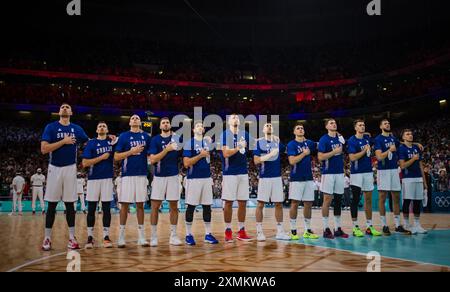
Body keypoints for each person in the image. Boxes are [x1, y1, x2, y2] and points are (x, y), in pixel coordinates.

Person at [41, 103, 89, 251]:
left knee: (70, 204)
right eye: (62, 107)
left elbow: (89, 142)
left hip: (70, 167)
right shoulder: (51, 127)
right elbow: (44, 149)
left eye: (67, 107)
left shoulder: (77, 129)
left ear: (71, 112)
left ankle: (72, 238)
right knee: (52, 205)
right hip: (54, 168)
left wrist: (108, 139)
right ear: (59, 111)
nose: (65, 108)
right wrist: (64, 141)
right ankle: (47, 238)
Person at [114, 114, 152, 248]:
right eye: (132, 118)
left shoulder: (147, 137)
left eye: (137, 118)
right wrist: (131, 151)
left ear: (140, 122)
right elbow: (117, 156)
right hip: (127, 175)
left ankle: (141, 237)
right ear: (130, 122)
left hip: (142, 175)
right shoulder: (124, 136)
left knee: (140, 205)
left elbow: (153, 153)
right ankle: (121, 236)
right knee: (124, 205)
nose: (135, 119)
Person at [182, 121, 219, 245]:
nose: (200, 127)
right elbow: (186, 163)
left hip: (206, 178)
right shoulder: (189, 143)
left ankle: (208, 234)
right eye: (197, 126)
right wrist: (200, 155)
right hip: (193, 178)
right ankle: (188, 234)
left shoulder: (207, 142)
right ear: (193, 130)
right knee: (191, 206)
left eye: (202, 126)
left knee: (207, 206)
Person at [219, 114, 254, 242]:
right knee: (228, 202)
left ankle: (241, 230)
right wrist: (239, 147)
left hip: (243, 172)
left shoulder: (245, 134)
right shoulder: (225, 135)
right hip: (229, 173)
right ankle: (228, 230)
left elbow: (256, 143)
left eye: (237, 118)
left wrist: (270, 138)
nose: (236, 119)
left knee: (242, 202)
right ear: (228, 121)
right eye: (233, 118)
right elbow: (225, 153)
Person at [149, 117, 183, 246]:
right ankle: (153, 236)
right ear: (160, 126)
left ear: (170, 125)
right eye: (163, 123)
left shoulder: (177, 138)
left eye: (167, 122)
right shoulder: (155, 140)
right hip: (159, 176)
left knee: (174, 206)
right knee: (155, 206)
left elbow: (184, 152)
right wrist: (166, 150)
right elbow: (153, 160)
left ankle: (173, 236)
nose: (165, 124)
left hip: (173, 176)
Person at [253, 123, 290, 241]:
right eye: (266, 125)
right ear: (263, 130)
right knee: (260, 204)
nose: (269, 126)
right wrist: (270, 155)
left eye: (270, 125)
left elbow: (289, 149)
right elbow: (256, 161)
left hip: (277, 177)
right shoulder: (258, 142)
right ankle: (259, 232)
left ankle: (280, 231)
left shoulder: (277, 142)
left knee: (279, 204)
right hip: (264, 177)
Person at [82, 121, 116, 248]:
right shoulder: (91, 143)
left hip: (107, 178)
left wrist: (113, 137)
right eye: (100, 126)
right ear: (96, 130)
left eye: (104, 126)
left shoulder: (112, 142)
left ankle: (106, 236)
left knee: (106, 209)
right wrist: (101, 157)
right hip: (93, 179)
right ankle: (90, 237)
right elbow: (85, 163)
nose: (102, 128)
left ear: (107, 130)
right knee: (91, 208)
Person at [374, 119, 411, 235]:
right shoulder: (378, 139)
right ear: (380, 126)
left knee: (396, 197)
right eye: (385, 123)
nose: (388, 124)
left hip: (394, 170)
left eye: (389, 123)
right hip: (383, 171)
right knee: (382, 198)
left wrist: (416, 144)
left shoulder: (393, 138)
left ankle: (397, 225)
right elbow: (379, 157)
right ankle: (384, 225)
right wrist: (389, 149)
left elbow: (404, 143)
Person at [347, 119, 381, 237]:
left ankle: (369, 226)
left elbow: (384, 138)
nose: (362, 127)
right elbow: (352, 158)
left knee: (368, 200)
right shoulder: (352, 140)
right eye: (360, 125)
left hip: (367, 172)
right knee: (355, 200)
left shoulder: (367, 139)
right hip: (356, 173)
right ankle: (355, 227)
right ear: (355, 128)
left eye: (363, 125)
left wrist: (415, 143)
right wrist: (364, 150)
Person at [287, 123, 319, 240]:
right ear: (294, 132)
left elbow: (320, 144)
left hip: (308, 178)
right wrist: (304, 153)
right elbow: (292, 161)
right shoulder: (291, 144)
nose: (301, 130)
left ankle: (307, 230)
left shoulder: (309, 143)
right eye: (298, 128)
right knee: (294, 203)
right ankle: (293, 230)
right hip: (296, 178)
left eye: (302, 128)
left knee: (308, 204)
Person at [317, 119, 349, 239]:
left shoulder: (340, 138)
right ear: (326, 126)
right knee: (327, 200)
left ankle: (337, 228)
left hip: (339, 173)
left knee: (338, 200)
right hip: (328, 173)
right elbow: (320, 157)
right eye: (331, 123)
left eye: (335, 122)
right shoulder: (324, 139)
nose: (334, 124)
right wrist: (334, 151)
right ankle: (325, 229)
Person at [398, 129, 428, 234]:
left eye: (411, 134)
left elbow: (420, 165)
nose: (410, 135)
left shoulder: (416, 148)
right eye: (407, 134)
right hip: (408, 178)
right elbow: (402, 165)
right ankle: (406, 224)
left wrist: (424, 182)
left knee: (417, 202)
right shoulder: (401, 149)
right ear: (403, 137)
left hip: (418, 178)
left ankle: (417, 225)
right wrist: (413, 159)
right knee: (407, 201)